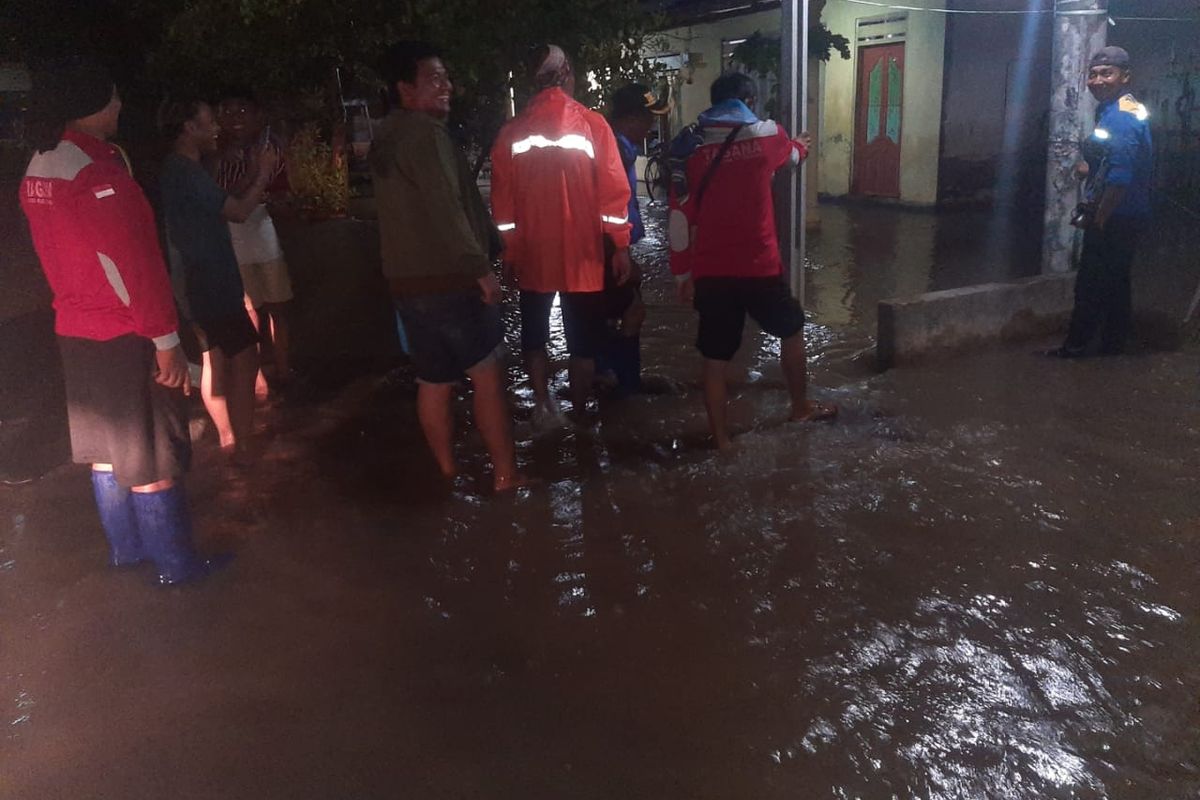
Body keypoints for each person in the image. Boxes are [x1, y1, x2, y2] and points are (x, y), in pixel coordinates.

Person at [19, 57, 225, 584]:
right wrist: (165, 339)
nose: (118, 103)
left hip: (76, 330)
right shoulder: (97, 172)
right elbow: (133, 263)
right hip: (123, 331)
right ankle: (177, 568)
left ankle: (126, 553)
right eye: (111, 95)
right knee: (153, 456)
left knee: (108, 452)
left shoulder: (41, 164)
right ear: (89, 103)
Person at [369, 41, 524, 492]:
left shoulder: (387, 136)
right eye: (434, 78)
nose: (447, 86)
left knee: (433, 380)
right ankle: (506, 476)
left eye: (446, 78)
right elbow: (447, 207)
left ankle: (446, 472)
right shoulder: (426, 134)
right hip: (451, 281)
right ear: (405, 88)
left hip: (407, 285)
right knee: (487, 374)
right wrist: (481, 268)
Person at [668, 72, 836, 450]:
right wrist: (801, 144)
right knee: (792, 329)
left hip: (711, 271)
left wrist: (682, 275)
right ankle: (800, 408)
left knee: (715, 357)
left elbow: (678, 217)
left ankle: (722, 441)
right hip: (759, 267)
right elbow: (792, 156)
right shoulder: (767, 135)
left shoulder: (689, 150)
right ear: (748, 101)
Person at [490, 44, 633, 427]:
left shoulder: (510, 133)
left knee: (534, 336)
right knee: (582, 344)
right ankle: (581, 416)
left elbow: (502, 207)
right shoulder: (593, 124)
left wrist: (509, 253)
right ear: (567, 74)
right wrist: (620, 245)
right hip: (582, 256)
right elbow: (613, 193)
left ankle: (543, 407)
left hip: (533, 256)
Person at [159, 99, 275, 460]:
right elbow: (238, 211)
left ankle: (231, 439)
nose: (216, 129)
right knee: (242, 354)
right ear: (188, 128)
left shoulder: (180, 169)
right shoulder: (186, 172)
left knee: (219, 356)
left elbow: (220, 202)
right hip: (208, 281)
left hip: (199, 280)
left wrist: (249, 174)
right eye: (209, 122)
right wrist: (264, 173)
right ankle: (241, 445)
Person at [1047, 46, 1153, 359]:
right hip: (1130, 212)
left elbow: (1120, 176)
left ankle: (1075, 347)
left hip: (1116, 214)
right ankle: (1113, 344)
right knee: (1117, 281)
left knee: (1090, 284)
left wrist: (1100, 217)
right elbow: (1113, 158)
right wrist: (1090, 168)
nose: (1097, 80)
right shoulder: (1120, 108)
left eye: (1107, 73)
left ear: (1125, 76)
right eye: (1093, 74)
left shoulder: (1120, 117)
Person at [214, 89, 295, 390]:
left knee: (278, 307)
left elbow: (284, 189)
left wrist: (280, 198)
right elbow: (222, 198)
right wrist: (256, 173)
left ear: (257, 115)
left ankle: (283, 370)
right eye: (228, 111)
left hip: (264, 235)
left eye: (242, 110)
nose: (235, 118)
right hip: (234, 240)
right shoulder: (215, 153)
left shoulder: (270, 146)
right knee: (249, 310)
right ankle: (256, 375)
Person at [597, 83, 670, 394]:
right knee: (632, 310)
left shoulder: (611, 144)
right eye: (649, 119)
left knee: (608, 313)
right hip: (607, 248)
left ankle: (607, 375)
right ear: (631, 118)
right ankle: (625, 385)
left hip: (604, 248)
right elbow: (607, 207)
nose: (650, 128)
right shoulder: (616, 149)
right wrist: (619, 252)